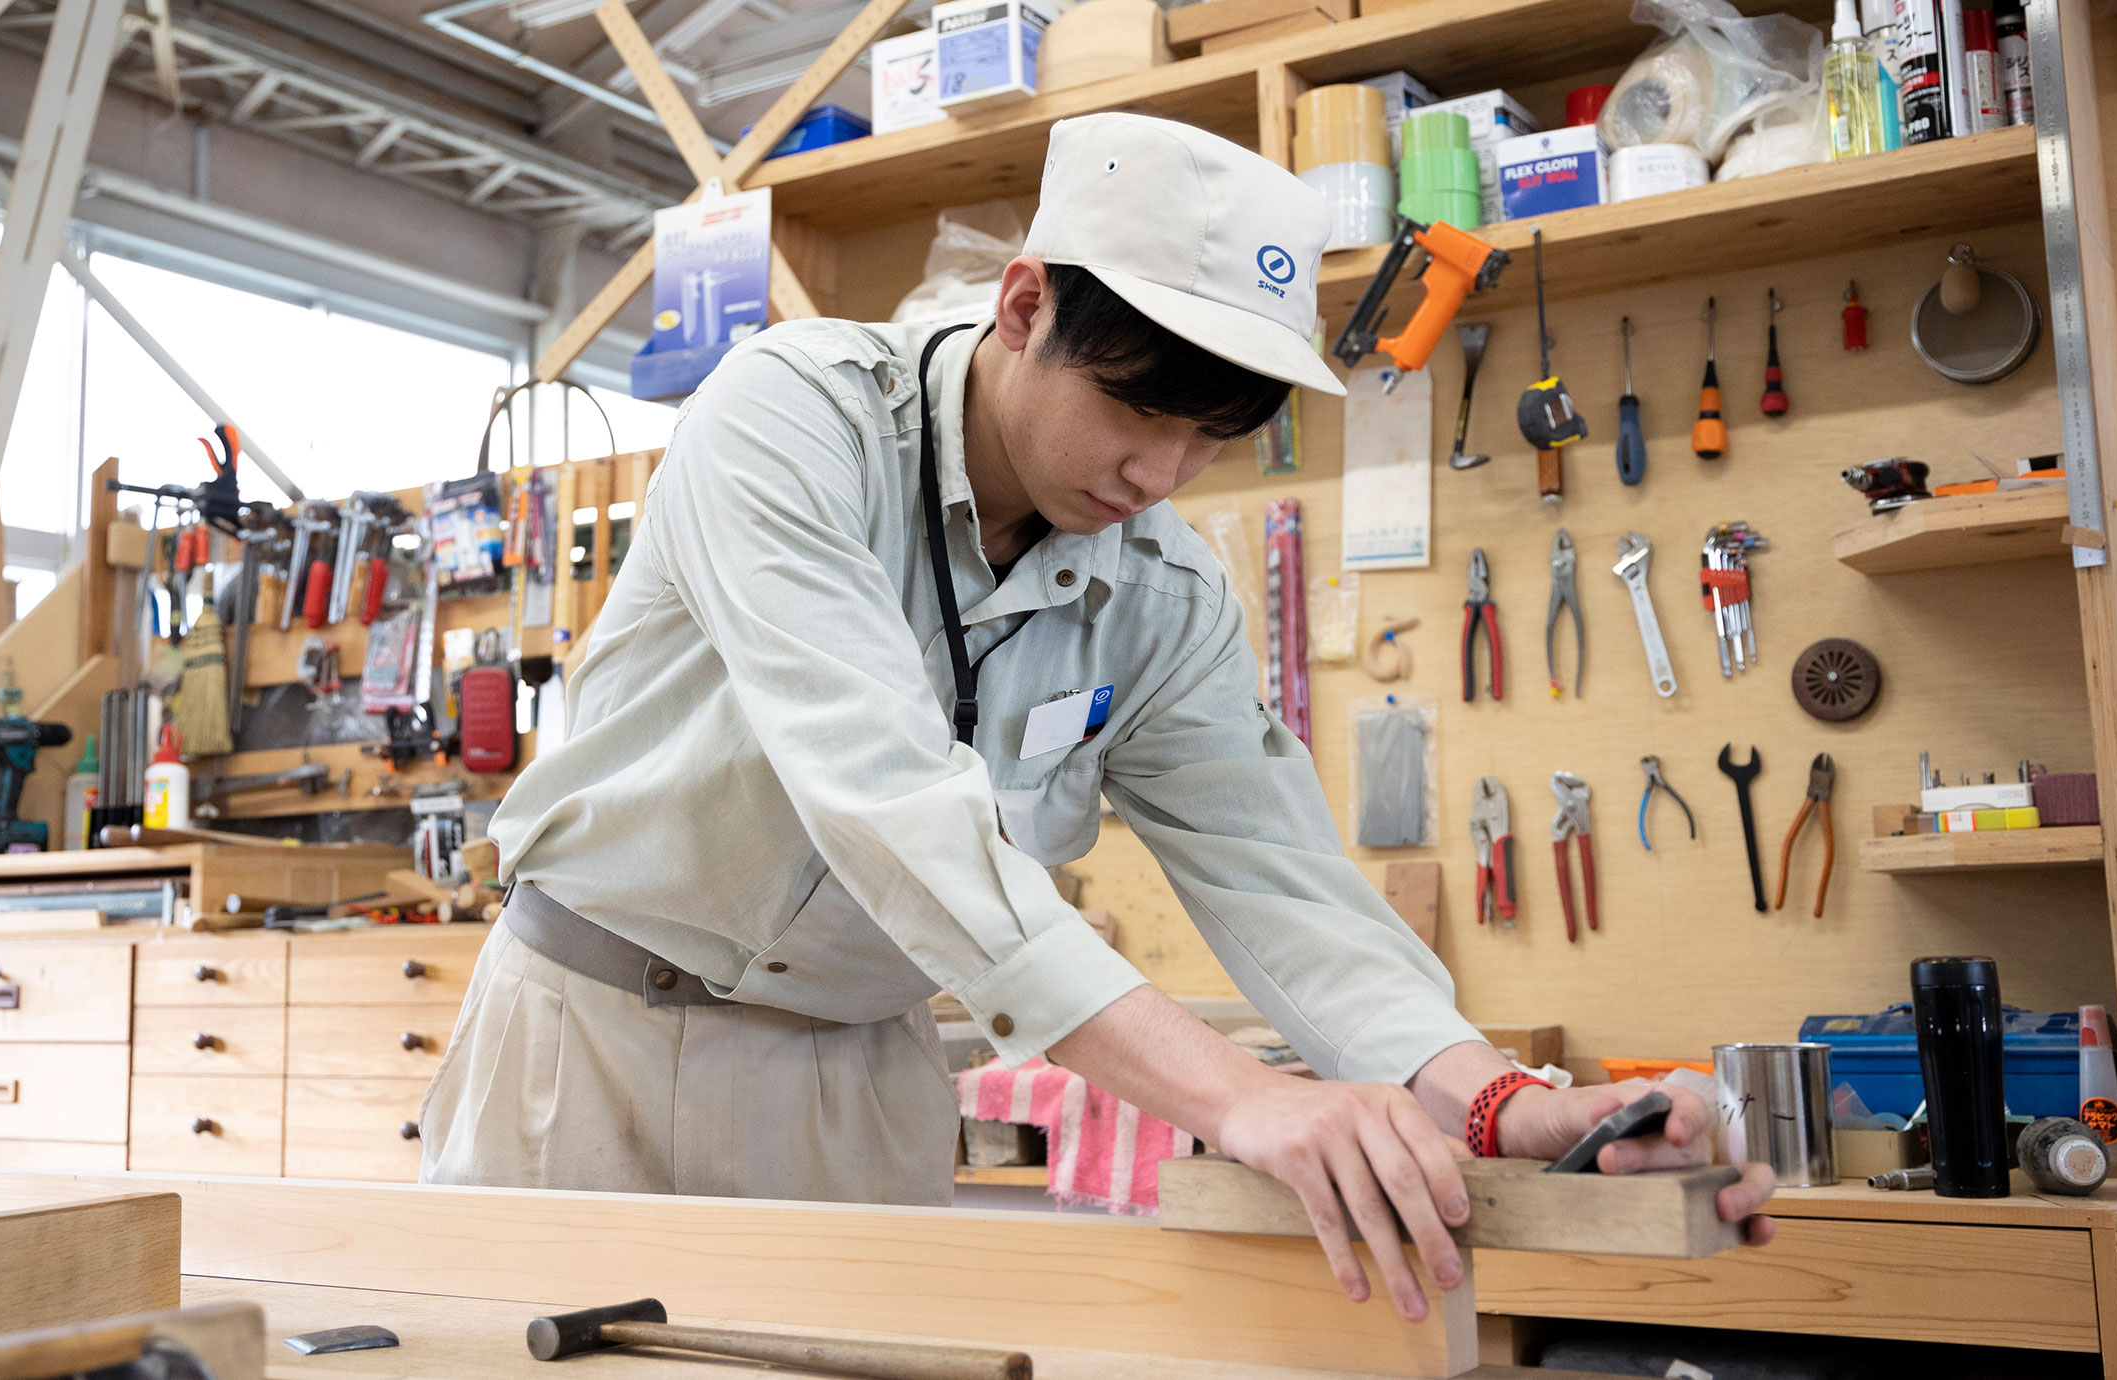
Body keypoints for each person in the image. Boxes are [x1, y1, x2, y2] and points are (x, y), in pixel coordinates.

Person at [419, 111, 1775, 1323]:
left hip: (866, 1073)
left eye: (1210, 441)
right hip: (596, 1037)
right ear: (1022, 309)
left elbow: (1278, 878)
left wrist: (1502, 1101)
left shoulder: (1168, 589)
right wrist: (1241, 1097)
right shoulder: (793, 421)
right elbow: (888, 800)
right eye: (1135, 409)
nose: (1161, 472)